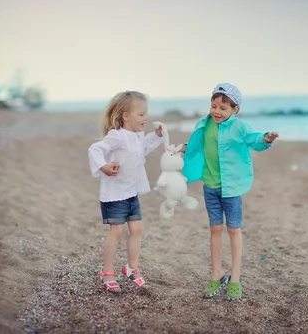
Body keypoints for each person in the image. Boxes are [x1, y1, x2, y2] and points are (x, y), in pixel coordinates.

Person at [182, 83, 279, 300]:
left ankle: (235, 277)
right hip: (210, 186)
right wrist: (182, 148)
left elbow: (254, 140)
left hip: (231, 188)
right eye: (213, 105)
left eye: (222, 108)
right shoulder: (204, 124)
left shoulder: (240, 127)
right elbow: (197, 144)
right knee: (214, 229)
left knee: (233, 230)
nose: (216, 111)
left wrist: (266, 139)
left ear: (234, 110)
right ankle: (217, 273)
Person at [88, 90, 164, 293]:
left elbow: (144, 148)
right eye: (141, 114)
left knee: (137, 230)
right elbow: (95, 150)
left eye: (146, 113)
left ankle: (131, 267)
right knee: (117, 231)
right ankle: (107, 271)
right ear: (126, 116)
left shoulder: (138, 136)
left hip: (131, 193)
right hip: (114, 194)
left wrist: (156, 137)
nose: (145, 118)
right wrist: (103, 166)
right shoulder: (117, 136)